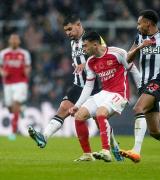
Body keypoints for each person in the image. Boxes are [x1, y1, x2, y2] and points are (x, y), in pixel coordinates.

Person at [28, 14, 123, 162]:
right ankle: (44, 137)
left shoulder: (92, 38)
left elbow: (103, 55)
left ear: (78, 24)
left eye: (70, 29)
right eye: (65, 30)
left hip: (94, 86)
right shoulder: (73, 42)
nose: (67, 33)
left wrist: (84, 65)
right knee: (63, 108)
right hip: (78, 84)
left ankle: (114, 146)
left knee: (100, 122)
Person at [69, 31, 140, 162]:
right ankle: (87, 154)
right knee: (79, 116)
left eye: (85, 46)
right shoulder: (90, 61)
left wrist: (142, 91)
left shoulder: (118, 53)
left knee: (100, 113)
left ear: (95, 44)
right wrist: (77, 105)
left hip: (119, 93)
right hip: (104, 93)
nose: (83, 49)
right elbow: (88, 86)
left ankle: (106, 151)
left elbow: (134, 71)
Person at [120, 9, 160, 163]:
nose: (138, 26)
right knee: (155, 131)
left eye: (140, 23)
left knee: (138, 108)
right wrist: (140, 47)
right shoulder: (139, 37)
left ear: (148, 23)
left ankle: (136, 151)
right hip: (145, 85)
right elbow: (127, 58)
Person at [0, 33, 31, 140]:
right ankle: (22, 108)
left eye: (15, 39)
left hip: (20, 82)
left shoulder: (24, 54)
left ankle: (13, 132)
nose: (14, 41)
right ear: (9, 41)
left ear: (19, 41)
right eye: (12, 39)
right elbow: (0, 67)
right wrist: (2, 72)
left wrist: (27, 71)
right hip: (8, 83)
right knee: (10, 107)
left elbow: (28, 66)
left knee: (15, 104)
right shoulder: (3, 53)